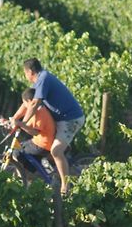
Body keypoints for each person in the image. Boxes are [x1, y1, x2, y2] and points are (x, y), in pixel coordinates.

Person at [11, 58, 85, 195]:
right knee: (49, 152)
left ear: (30, 71)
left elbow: (34, 104)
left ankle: (65, 187)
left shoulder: (44, 78)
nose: (25, 76)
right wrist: (15, 118)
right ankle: (54, 176)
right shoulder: (40, 80)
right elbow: (27, 102)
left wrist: (23, 123)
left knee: (56, 151)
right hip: (61, 119)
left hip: (70, 119)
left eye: (25, 73)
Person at [7, 88, 55, 174]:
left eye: (25, 103)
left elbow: (35, 132)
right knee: (20, 148)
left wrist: (20, 124)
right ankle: (28, 175)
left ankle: (22, 177)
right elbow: (28, 126)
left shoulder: (41, 112)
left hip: (42, 145)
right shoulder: (36, 110)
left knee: (16, 152)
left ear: (29, 101)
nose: (25, 106)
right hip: (38, 142)